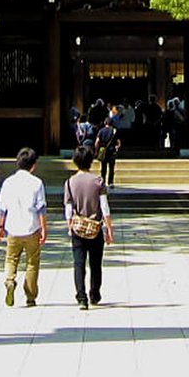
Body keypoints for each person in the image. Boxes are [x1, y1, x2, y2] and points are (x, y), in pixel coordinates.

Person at [64, 143, 114, 309]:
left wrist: (69, 225)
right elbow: (104, 206)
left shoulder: (70, 183)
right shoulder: (98, 181)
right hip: (95, 227)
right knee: (95, 263)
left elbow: (68, 207)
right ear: (91, 161)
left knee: (79, 263)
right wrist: (109, 229)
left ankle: (81, 296)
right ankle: (94, 294)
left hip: (78, 227)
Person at [0, 147, 47, 307]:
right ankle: (30, 296)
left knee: (11, 258)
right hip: (31, 227)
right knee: (32, 262)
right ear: (33, 165)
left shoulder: (8, 182)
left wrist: (0, 226)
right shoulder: (37, 183)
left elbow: (2, 207)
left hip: (13, 227)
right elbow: (41, 208)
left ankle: (10, 280)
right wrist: (44, 228)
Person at [96, 118, 121, 185]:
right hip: (112, 151)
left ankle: (103, 181)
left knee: (103, 167)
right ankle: (110, 182)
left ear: (105, 122)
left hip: (103, 150)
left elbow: (97, 141)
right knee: (111, 168)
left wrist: (97, 150)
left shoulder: (101, 131)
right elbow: (118, 142)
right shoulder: (114, 131)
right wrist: (117, 147)